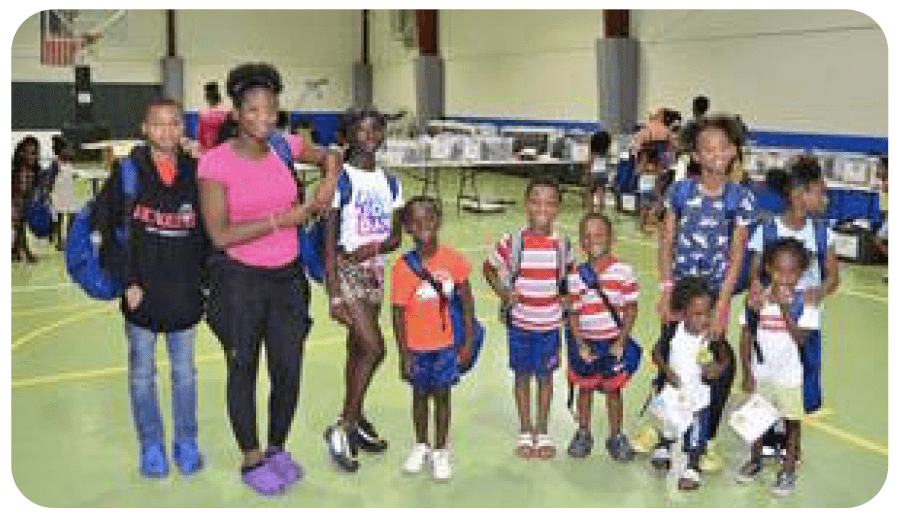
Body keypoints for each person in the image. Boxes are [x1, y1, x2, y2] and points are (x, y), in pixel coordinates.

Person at [198, 62, 342, 496]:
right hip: (238, 280)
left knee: (288, 369)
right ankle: (251, 456)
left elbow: (331, 154)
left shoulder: (283, 145)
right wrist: (284, 220)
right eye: (254, 110)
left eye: (271, 110)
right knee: (243, 367)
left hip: (287, 280)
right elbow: (220, 234)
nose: (264, 118)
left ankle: (278, 449)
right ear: (237, 113)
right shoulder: (215, 162)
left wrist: (327, 183)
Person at [89, 98, 209, 479]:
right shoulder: (126, 172)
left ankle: (186, 442)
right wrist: (127, 281)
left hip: (185, 292)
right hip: (140, 292)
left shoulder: (197, 171)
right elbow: (109, 234)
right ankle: (152, 445)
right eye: (159, 124)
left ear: (182, 128)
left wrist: (205, 283)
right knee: (142, 374)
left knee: (185, 374)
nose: (167, 131)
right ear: (144, 128)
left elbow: (210, 231)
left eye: (175, 123)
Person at [657, 114, 757, 471]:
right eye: (706, 148)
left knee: (710, 367)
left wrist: (724, 307)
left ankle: (706, 438)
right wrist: (666, 289)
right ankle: (665, 434)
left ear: (733, 152)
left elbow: (736, 256)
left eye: (722, 147)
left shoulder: (741, 198)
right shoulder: (680, 191)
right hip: (681, 292)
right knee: (669, 361)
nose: (715, 154)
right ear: (695, 155)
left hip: (714, 296)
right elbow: (667, 242)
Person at [323, 109, 403, 473]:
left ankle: (354, 419)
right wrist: (334, 292)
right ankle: (343, 427)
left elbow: (396, 237)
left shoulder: (391, 182)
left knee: (359, 350)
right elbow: (328, 240)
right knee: (375, 347)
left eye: (376, 129)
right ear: (348, 134)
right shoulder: (340, 178)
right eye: (361, 129)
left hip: (374, 271)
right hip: (347, 271)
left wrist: (371, 249)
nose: (369, 134)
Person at [484, 176, 573, 460]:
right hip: (520, 325)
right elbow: (488, 268)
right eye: (536, 201)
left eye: (549, 202)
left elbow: (567, 279)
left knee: (546, 378)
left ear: (558, 208)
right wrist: (503, 292)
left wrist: (566, 297)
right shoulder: (513, 241)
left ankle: (543, 431)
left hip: (549, 327)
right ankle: (525, 430)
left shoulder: (562, 245)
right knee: (522, 377)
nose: (542, 207)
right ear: (526, 204)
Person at [391, 196, 475, 481]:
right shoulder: (402, 268)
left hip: (446, 347)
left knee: (442, 397)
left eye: (429, 219)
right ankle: (421, 445)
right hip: (416, 347)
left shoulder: (453, 260)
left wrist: (467, 341)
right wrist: (403, 354)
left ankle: (441, 450)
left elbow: (466, 301)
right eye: (415, 222)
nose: (423, 226)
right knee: (418, 397)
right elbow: (398, 314)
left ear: (438, 222)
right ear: (407, 228)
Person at [748, 157, 839, 417]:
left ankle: (793, 435)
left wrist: (819, 291)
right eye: (821, 192)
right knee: (769, 374)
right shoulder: (767, 230)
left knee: (804, 374)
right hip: (771, 319)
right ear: (800, 194)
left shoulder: (822, 232)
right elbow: (755, 277)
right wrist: (758, 294)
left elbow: (833, 277)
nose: (825, 199)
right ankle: (769, 433)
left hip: (805, 320)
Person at [737, 238, 818, 497]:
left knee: (791, 424)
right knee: (757, 421)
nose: (785, 277)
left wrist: (785, 311)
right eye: (779, 271)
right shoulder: (757, 301)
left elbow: (801, 339)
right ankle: (755, 460)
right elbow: (746, 335)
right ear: (769, 269)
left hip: (790, 377)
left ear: (801, 273)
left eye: (792, 272)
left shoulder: (806, 302)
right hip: (762, 374)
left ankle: (788, 470)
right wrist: (747, 372)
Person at [565, 213, 641, 461]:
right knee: (584, 389)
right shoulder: (575, 275)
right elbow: (574, 313)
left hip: (612, 343)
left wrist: (621, 340)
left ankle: (616, 436)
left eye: (599, 235)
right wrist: (579, 343)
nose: (592, 241)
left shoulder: (624, 271)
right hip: (586, 343)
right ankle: (583, 432)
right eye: (586, 236)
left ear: (611, 239)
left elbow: (630, 309)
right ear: (581, 242)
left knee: (613, 390)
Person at [648, 276, 730, 491]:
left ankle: (692, 467)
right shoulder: (673, 331)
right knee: (668, 423)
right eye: (697, 314)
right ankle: (664, 445)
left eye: (708, 313)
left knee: (696, 433)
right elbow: (656, 352)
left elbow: (726, 360)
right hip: (674, 393)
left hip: (698, 396)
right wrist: (667, 372)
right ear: (683, 313)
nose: (704, 319)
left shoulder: (712, 338)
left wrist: (716, 370)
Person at [11, 135, 41, 263]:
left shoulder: (33, 172)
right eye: (30, 153)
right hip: (14, 205)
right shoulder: (19, 172)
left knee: (20, 227)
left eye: (35, 153)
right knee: (19, 226)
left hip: (22, 205)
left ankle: (16, 251)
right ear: (22, 154)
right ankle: (23, 251)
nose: (33, 157)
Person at [47, 136, 79, 250]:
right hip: (58, 194)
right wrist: (49, 194)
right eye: (66, 149)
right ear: (61, 151)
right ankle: (59, 241)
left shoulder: (69, 162)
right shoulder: (56, 164)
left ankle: (68, 239)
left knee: (72, 216)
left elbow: (71, 175)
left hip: (68, 194)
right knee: (59, 219)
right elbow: (50, 179)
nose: (69, 152)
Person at [197, 81, 229, 154]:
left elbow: (200, 134)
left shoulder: (204, 112)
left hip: (209, 148)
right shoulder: (226, 110)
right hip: (220, 148)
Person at [584, 131, 611, 212]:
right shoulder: (605, 150)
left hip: (594, 171)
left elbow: (590, 160)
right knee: (601, 191)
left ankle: (590, 209)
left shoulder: (593, 150)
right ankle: (600, 209)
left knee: (590, 191)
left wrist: (587, 170)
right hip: (604, 172)